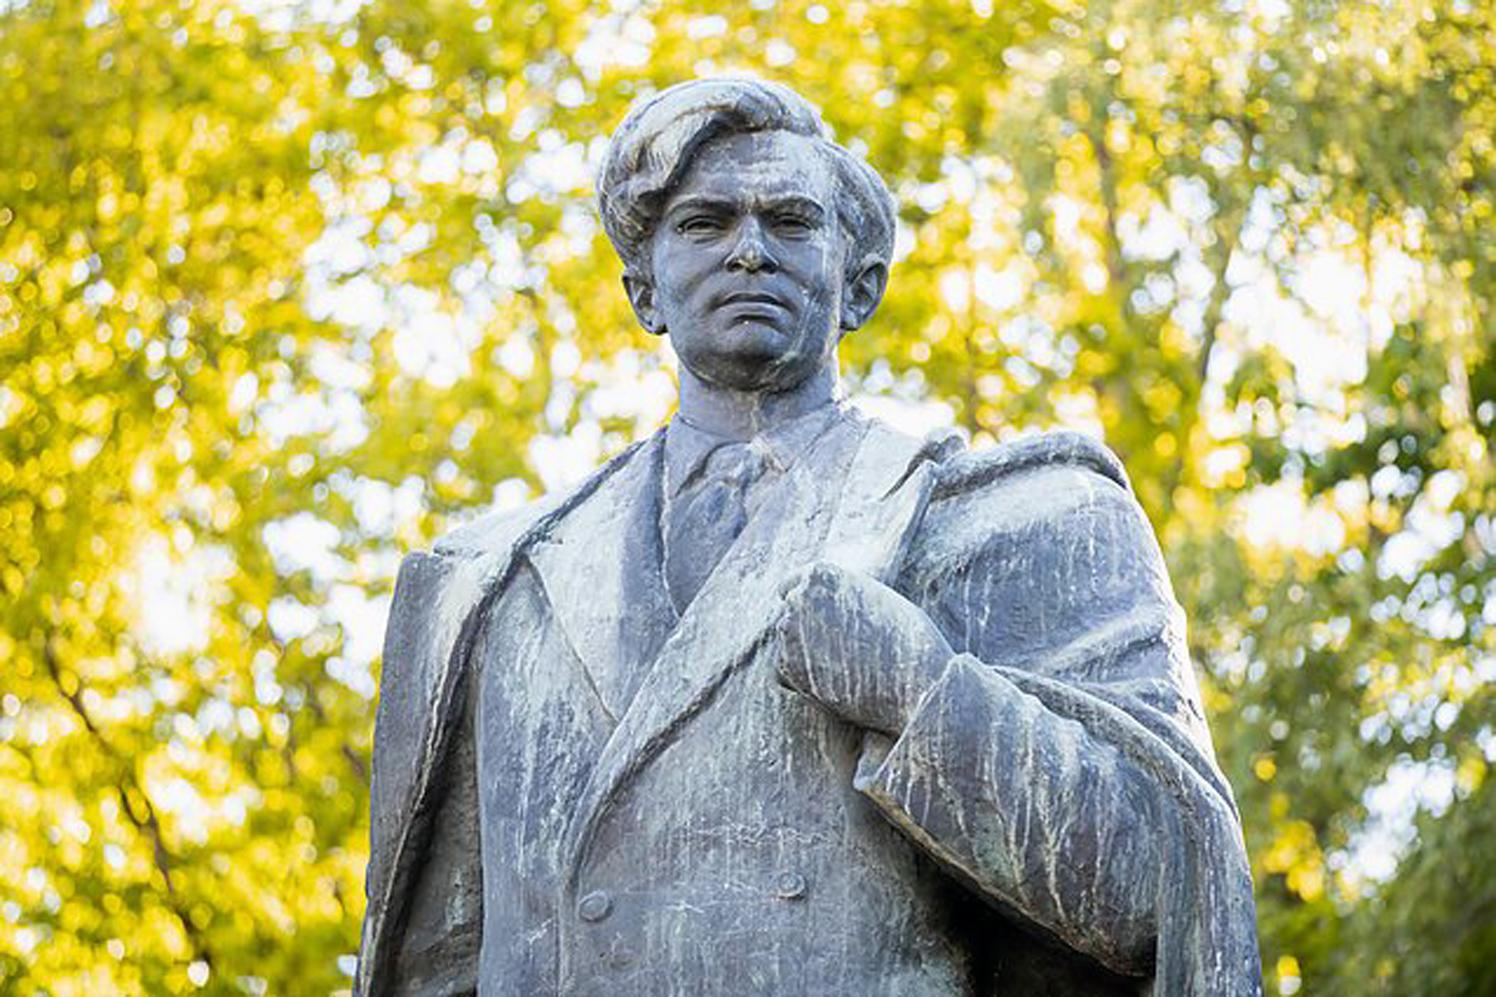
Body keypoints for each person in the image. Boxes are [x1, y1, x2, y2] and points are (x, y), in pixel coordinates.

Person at [356, 78, 1262, 996]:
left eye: (792, 222)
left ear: (859, 287)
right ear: (644, 290)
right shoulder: (496, 585)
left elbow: (1163, 892)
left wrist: (923, 696)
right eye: (704, 223)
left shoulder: (1020, 520)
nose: (750, 249)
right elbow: (436, 966)